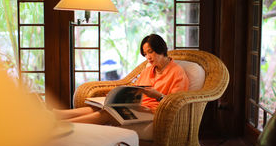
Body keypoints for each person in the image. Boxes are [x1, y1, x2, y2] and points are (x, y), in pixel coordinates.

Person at [53, 33, 189, 124]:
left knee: (109, 113)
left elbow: (176, 104)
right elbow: (136, 90)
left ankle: (63, 124)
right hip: (137, 106)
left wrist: (158, 95)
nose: (147, 57)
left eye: (150, 52)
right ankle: (55, 115)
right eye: (145, 53)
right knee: (100, 107)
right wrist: (118, 95)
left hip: (154, 113)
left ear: (161, 49)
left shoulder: (177, 73)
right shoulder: (148, 70)